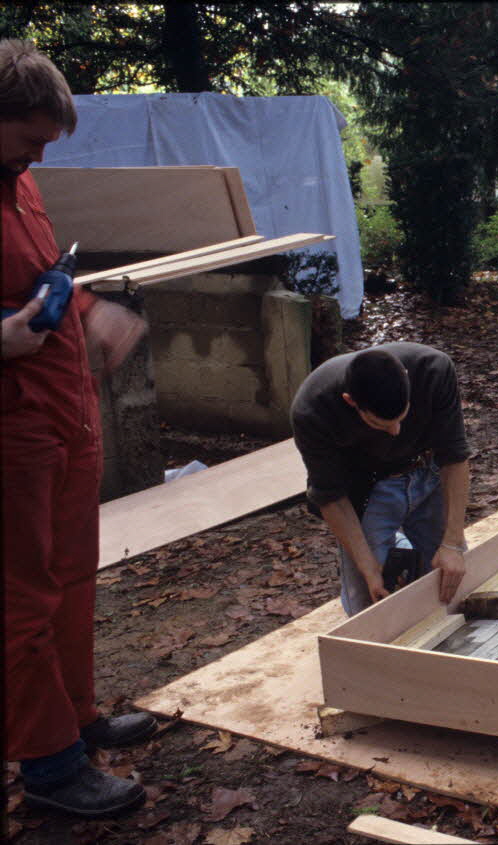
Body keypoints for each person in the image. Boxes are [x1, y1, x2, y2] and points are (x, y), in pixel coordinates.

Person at [2, 39, 154, 817]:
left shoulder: (19, 182)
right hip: (12, 428)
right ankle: (50, 765)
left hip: (64, 410)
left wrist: (89, 309)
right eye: (28, 139)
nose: (38, 156)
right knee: (19, 595)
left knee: (70, 577)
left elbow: (39, 278)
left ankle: (77, 713)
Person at [290, 343, 472, 615]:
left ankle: (401, 546)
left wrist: (452, 543)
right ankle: (395, 546)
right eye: (379, 424)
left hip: (427, 470)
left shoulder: (434, 370)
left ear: (407, 379)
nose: (396, 431)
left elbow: (454, 456)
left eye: (402, 417)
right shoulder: (313, 410)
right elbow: (330, 496)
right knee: (368, 604)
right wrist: (368, 567)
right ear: (351, 401)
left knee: (451, 579)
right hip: (366, 486)